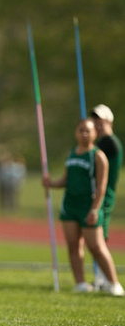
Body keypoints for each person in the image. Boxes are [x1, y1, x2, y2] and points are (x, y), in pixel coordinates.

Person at [42, 118, 124, 296]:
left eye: (88, 131)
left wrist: (95, 209)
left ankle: (114, 283)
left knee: (96, 246)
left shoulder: (98, 156)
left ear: (95, 133)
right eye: (81, 130)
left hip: (89, 206)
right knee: (73, 246)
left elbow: (102, 186)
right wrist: (51, 183)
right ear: (76, 132)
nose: (84, 134)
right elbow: (66, 180)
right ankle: (80, 283)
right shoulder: (71, 154)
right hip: (70, 206)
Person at [89, 104, 123, 290]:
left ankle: (107, 281)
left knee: (99, 239)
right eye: (95, 121)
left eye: (100, 121)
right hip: (100, 194)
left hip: (104, 195)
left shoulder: (108, 142)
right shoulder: (104, 142)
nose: (97, 125)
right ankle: (101, 279)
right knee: (97, 239)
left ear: (108, 121)